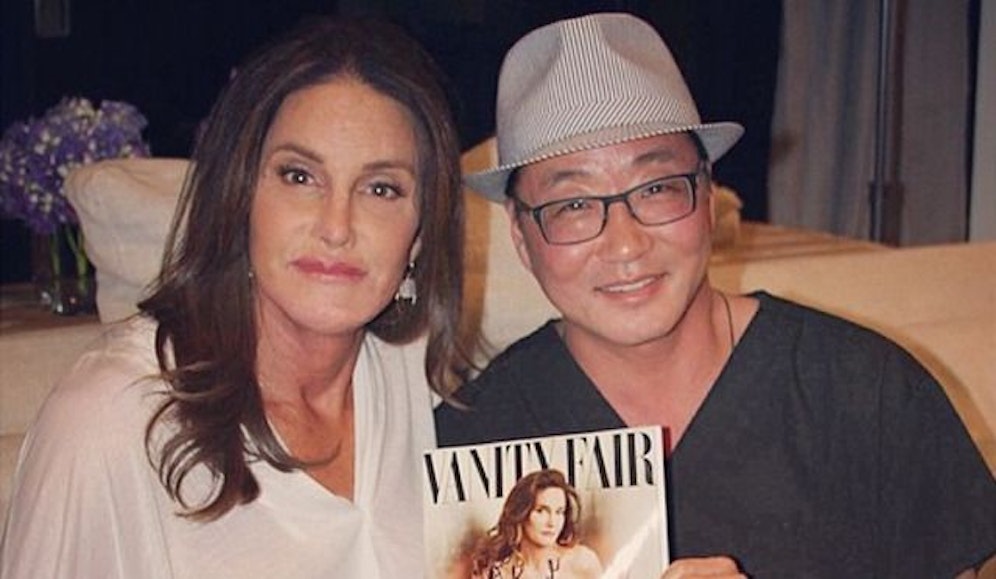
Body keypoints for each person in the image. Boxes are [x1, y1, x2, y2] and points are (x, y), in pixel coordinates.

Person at [435, 12, 996, 579]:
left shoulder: (863, 393)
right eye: (574, 205)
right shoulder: (471, 439)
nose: (625, 243)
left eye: (656, 189)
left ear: (707, 194)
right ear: (521, 236)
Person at [1, 16, 465, 578]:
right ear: (239, 195)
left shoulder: (417, 382)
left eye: (380, 188)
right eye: (299, 177)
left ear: (420, 234)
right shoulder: (110, 422)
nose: (337, 226)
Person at [471, 469, 602, 579]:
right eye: (541, 511)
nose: (552, 523)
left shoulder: (583, 562)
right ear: (521, 512)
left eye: (559, 512)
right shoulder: (495, 572)